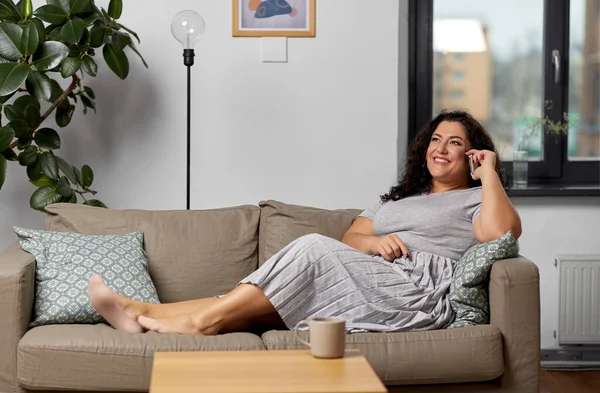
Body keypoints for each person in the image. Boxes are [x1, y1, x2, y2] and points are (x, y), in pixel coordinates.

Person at [88, 109, 522, 336]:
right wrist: (373, 244)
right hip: (376, 271)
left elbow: (500, 234)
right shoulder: (403, 198)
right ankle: (141, 313)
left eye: (456, 143)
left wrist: (488, 176)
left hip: (417, 292)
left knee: (314, 247)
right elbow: (355, 235)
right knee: (260, 299)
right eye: (435, 140)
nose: (440, 148)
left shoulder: (476, 197)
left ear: (472, 155)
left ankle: (198, 322)